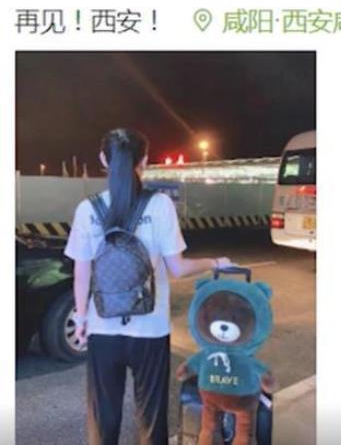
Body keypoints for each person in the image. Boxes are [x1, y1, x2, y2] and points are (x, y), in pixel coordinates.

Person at [65, 128, 232, 445]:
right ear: (144, 160)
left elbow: (81, 271)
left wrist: (82, 317)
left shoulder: (88, 209)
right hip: (150, 328)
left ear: (103, 159)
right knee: (151, 417)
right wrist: (214, 262)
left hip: (103, 326)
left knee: (103, 416)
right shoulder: (160, 205)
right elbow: (177, 268)